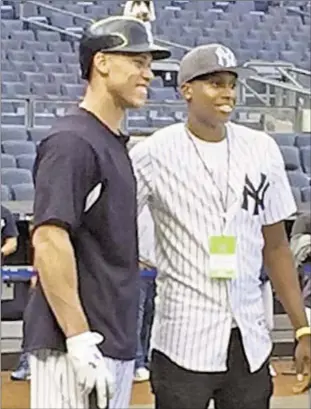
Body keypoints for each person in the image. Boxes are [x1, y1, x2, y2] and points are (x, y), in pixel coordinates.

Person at [130, 43, 311, 409]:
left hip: (248, 340)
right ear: (186, 90)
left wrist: (302, 326)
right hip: (183, 338)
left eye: (231, 83)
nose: (227, 92)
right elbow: (111, 224)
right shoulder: (152, 152)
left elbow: (275, 245)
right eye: (214, 83)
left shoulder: (261, 148)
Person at [22, 16, 170, 409]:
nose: (148, 74)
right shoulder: (73, 141)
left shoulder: (110, 141)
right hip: (76, 344)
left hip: (110, 339)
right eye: (137, 62)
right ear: (102, 62)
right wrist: (78, 338)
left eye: (148, 64)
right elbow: (50, 239)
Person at [135, 205, 156, 382]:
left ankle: (147, 359)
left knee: (151, 318)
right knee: (137, 317)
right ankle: (138, 362)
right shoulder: (138, 205)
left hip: (159, 271)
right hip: (140, 269)